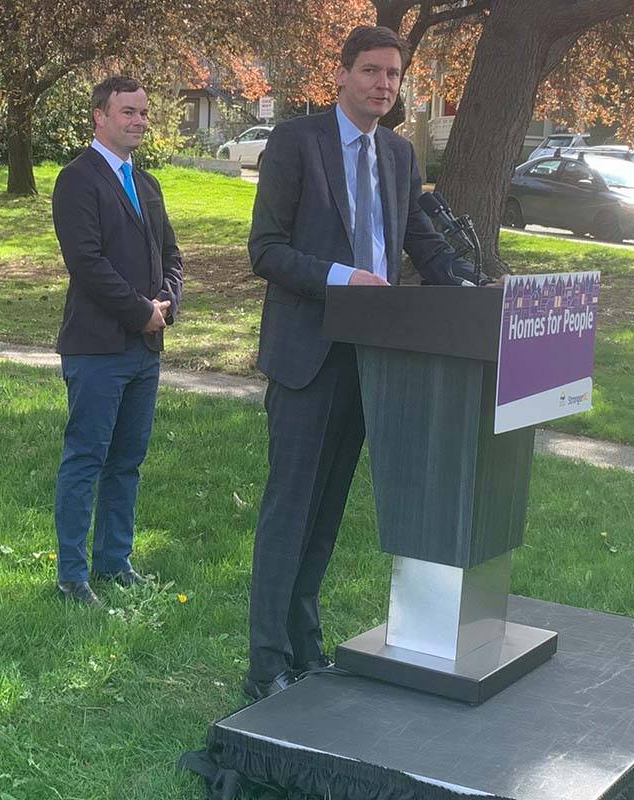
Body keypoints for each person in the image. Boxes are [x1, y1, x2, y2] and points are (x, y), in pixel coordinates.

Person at [244, 26, 480, 699]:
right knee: (290, 512)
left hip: (373, 365)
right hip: (307, 357)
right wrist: (344, 279)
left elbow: (424, 246)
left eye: (395, 75)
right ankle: (265, 664)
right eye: (372, 71)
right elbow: (265, 249)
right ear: (342, 74)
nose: (385, 85)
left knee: (326, 516)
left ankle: (305, 646)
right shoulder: (296, 143)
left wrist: (471, 287)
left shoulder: (401, 156)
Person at [50, 76, 183, 606]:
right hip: (98, 346)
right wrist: (139, 312)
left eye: (144, 112)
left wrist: (166, 304)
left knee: (128, 460)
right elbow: (86, 263)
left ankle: (113, 560)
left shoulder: (146, 183)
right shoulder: (77, 180)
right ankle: (71, 575)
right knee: (87, 457)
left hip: (145, 348)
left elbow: (170, 255)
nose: (139, 121)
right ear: (98, 117)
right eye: (128, 111)